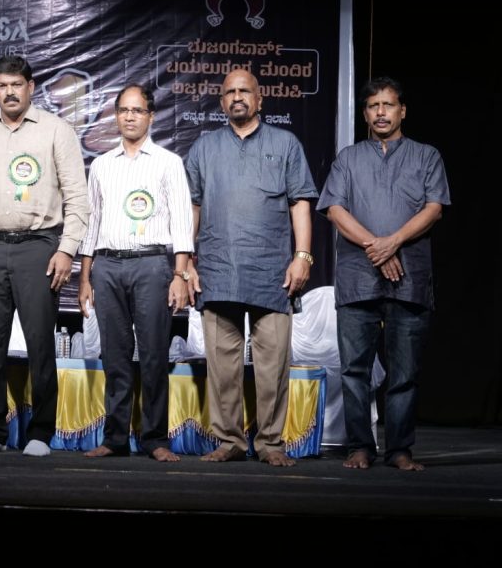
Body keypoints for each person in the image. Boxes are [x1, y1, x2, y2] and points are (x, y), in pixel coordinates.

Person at [184, 68, 317, 466]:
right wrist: (186, 262)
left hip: (272, 272)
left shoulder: (285, 143)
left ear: (260, 99)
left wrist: (303, 256)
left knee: (273, 365)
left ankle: (271, 443)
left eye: (245, 91)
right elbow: (193, 206)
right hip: (218, 270)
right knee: (222, 367)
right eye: (230, 92)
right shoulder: (205, 147)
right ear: (221, 101)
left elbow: (300, 202)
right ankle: (229, 441)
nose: (237, 97)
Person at [317, 77, 449, 472]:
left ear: (402, 111)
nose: (380, 112)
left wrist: (393, 242)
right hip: (358, 278)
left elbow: (434, 209)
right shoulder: (348, 158)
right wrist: (378, 247)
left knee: (404, 372)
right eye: (373, 106)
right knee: (354, 370)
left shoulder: (426, 156)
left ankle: (399, 450)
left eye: (388, 105)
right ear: (364, 114)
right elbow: (335, 210)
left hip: (409, 278)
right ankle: (360, 447)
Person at [0, 56, 90, 456]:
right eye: (2, 86)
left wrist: (66, 249)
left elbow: (78, 198)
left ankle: (41, 432)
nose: (10, 92)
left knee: (39, 343)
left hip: (40, 245)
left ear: (31, 87)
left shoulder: (56, 130)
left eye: (16, 84)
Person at [78, 85, 194, 462]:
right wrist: (85, 277)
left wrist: (179, 275)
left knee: (154, 355)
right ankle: (114, 438)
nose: (130, 117)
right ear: (116, 115)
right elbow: (92, 224)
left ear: (151, 116)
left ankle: (155, 439)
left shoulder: (167, 162)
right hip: (108, 265)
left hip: (152, 264)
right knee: (115, 356)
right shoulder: (101, 165)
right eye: (124, 110)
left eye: (137, 111)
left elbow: (182, 222)